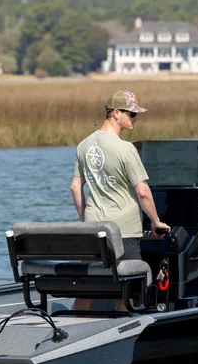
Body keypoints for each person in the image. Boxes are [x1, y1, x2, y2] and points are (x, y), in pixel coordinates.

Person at [70, 90, 170, 312]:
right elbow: (143, 192)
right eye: (132, 114)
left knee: (87, 291)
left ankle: (74, 333)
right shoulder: (126, 149)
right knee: (127, 293)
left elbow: (76, 186)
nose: (135, 118)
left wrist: (84, 219)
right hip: (123, 232)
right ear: (116, 113)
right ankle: (126, 336)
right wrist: (155, 221)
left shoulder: (84, 145)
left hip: (93, 230)